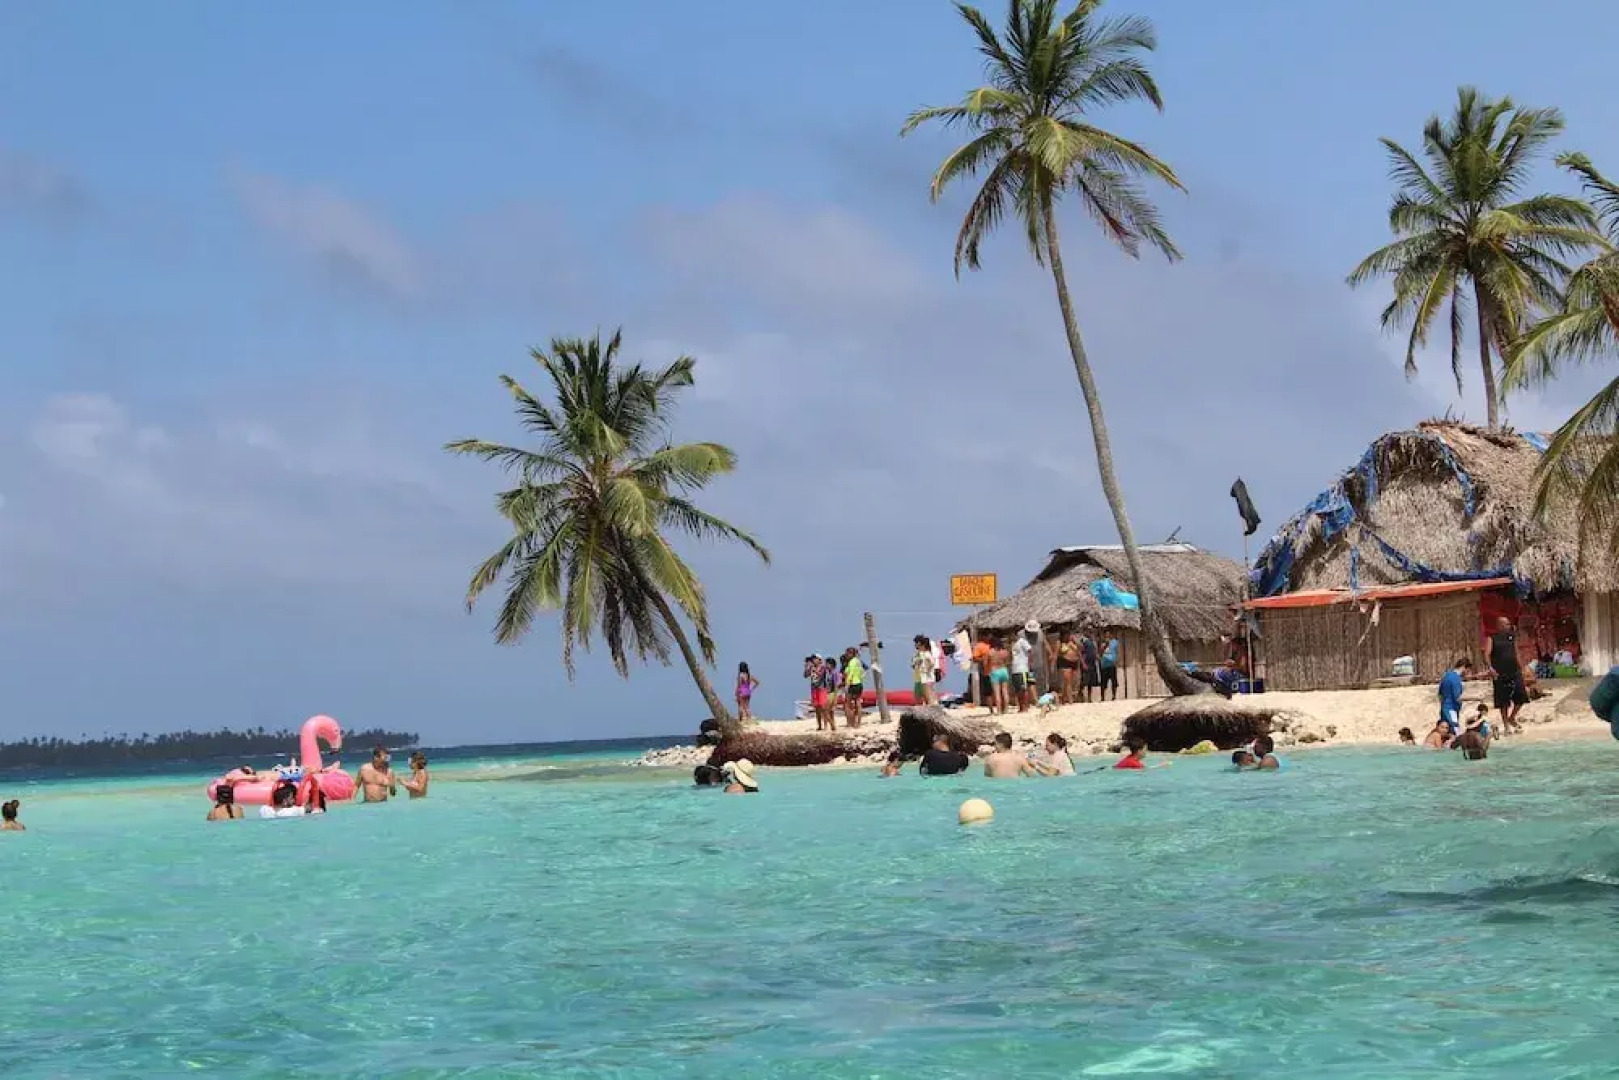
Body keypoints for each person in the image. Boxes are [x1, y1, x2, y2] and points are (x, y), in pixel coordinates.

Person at [1488, 617, 1528, 734]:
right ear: (1499, 625)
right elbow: (1487, 654)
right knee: (1503, 700)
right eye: (1506, 624)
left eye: (1509, 624)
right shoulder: (1492, 638)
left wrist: (1522, 668)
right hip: (1500, 673)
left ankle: (1512, 717)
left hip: (1514, 671)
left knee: (1521, 696)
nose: (1508, 626)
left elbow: (1516, 653)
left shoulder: (1512, 637)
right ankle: (1506, 724)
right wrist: (1491, 668)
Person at [1438, 657, 1470, 742]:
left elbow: (1440, 695)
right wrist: (1476, 698)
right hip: (1451, 710)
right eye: (1467, 670)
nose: (1467, 673)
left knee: (1443, 735)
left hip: (1444, 709)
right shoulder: (1456, 679)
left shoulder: (1446, 676)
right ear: (1463, 667)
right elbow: (1458, 697)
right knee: (1457, 734)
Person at [1052, 631, 1081, 704]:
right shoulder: (1059, 643)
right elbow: (1055, 654)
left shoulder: (1072, 642)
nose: (1067, 636)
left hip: (1074, 663)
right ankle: (1070, 700)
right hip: (1064, 662)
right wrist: (1052, 665)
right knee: (1068, 682)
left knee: (1069, 682)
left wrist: (1075, 641)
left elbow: (1080, 649)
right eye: (1066, 635)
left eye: (1069, 634)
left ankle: (1063, 699)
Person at [1010, 630, 1034, 712]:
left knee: (1024, 689)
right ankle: (1020, 706)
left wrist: (1030, 664)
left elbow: (1030, 651)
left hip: (1022, 668)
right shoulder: (1013, 645)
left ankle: (1026, 706)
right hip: (1015, 670)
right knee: (1018, 690)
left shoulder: (1022, 641)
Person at [987, 635, 1011, 716]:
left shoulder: (990, 652)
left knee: (997, 693)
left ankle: (999, 711)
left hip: (995, 671)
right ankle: (1006, 710)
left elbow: (988, 663)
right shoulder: (1005, 652)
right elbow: (1007, 662)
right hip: (1004, 670)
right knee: (1005, 691)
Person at [843, 647, 866, 729]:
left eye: (847, 653)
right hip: (859, 683)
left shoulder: (852, 662)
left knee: (847, 704)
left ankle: (850, 723)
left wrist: (847, 684)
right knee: (858, 704)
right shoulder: (858, 661)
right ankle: (858, 723)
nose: (846, 655)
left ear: (851, 654)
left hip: (853, 684)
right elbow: (862, 672)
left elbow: (850, 674)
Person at [912, 637, 936, 709]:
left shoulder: (927, 654)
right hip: (917, 679)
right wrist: (916, 664)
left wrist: (926, 670)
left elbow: (931, 664)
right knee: (918, 698)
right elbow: (913, 665)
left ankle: (930, 713)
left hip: (926, 679)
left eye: (916, 643)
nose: (915, 645)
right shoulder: (916, 654)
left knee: (928, 698)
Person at [1079, 634, 1101, 704]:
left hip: (1092, 664)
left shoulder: (1093, 643)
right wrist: (1083, 663)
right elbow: (1081, 653)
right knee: (1085, 680)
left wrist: (1098, 658)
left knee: (1091, 682)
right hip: (1087, 663)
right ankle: (1080, 692)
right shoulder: (1085, 642)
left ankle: (1089, 698)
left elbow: (1094, 653)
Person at [1099, 635, 1120, 701]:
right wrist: (1104, 646)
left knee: (1114, 681)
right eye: (1106, 634)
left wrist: (1117, 660)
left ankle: (1114, 696)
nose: (1107, 636)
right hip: (1104, 664)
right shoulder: (1102, 643)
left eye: (1108, 634)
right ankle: (1102, 697)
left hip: (1112, 664)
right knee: (1103, 682)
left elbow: (1117, 651)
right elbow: (1100, 653)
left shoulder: (1115, 642)